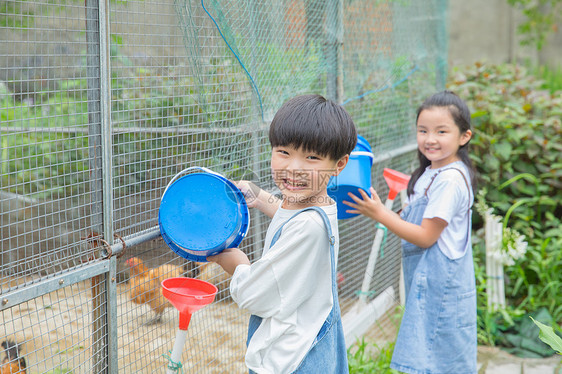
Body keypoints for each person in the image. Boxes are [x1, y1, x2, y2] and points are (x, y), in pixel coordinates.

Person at [208, 94, 357, 373]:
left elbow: (255, 295)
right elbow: (289, 215)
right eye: (284, 153)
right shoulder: (319, 205)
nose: (294, 168)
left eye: (312, 157)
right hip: (308, 340)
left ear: (339, 164)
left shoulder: (308, 229)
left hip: (293, 359)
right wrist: (258, 196)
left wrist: (237, 265)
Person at [344, 90, 477, 373]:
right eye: (423, 130)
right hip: (431, 283)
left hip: (442, 286)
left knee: (437, 361)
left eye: (442, 131)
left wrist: (381, 213)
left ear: (464, 136)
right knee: (431, 359)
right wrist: (390, 213)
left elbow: (426, 236)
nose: (430, 139)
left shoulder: (450, 179)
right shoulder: (433, 171)